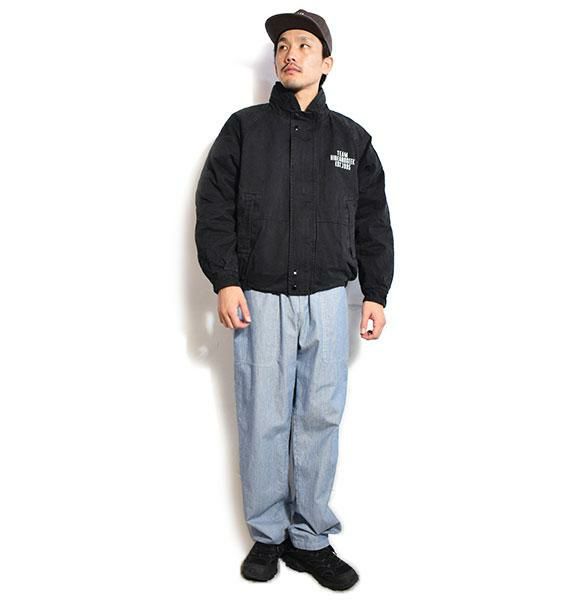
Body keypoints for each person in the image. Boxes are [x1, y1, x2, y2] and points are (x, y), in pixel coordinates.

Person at [194, 9, 394, 591]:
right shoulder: (244, 129)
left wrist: (376, 293)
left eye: (305, 44)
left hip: (330, 299)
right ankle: (267, 535)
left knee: (319, 416)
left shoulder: (352, 140)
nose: (290, 53)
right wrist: (225, 280)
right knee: (264, 416)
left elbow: (373, 221)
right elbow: (214, 206)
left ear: (326, 63)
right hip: (259, 296)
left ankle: (310, 537)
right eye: (283, 44)